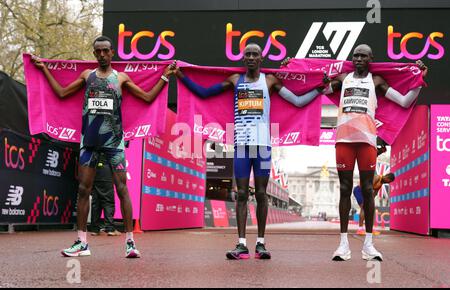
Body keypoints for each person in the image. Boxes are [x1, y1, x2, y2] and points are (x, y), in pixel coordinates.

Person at [174, 43, 323, 260]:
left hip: (263, 146)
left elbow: (298, 101)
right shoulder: (235, 80)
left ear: (261, 59)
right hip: (242, 146)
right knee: (242, 194)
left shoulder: (270, 81)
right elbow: (204, 94)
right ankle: (241, 244)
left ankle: (261, 244)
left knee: (261, 194)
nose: (251, 57)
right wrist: (181, 76)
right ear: (244, 59)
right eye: (248, 55)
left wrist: (319, 88)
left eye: (255, 54)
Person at [32, 36, 176, 258]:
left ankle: (130, 243)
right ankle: (81, 242)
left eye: (105, 51)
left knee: (122, 188)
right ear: (94, 54)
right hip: (88, 142)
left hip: (114, 143)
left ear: (111, 53)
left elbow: (147, 98)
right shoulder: (86, 76)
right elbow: (61, 93)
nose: (101, 55)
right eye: (97, 51)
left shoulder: (121, 78)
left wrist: (165, 78)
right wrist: (43, 70)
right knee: (83, 190)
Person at [323, 44, 428, 261]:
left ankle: (368, 246)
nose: (359, 59)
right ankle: (343, 245)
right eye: (355, 56)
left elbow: (405, 101)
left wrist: (418, 80)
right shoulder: (343, 78)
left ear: (371, 59)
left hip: (367, 141)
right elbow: (322, 89)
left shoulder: (376, 81)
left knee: (369, 189)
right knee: (344, 188)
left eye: (363, 56)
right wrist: (315, 78)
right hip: (344, 139)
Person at [90, 153, 121, 237]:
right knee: (108, 202)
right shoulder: (111, 143)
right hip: (106, 172)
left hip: (95, 172)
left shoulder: (95, 145)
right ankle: (110, 229)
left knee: (96, 203)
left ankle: (95, 229)